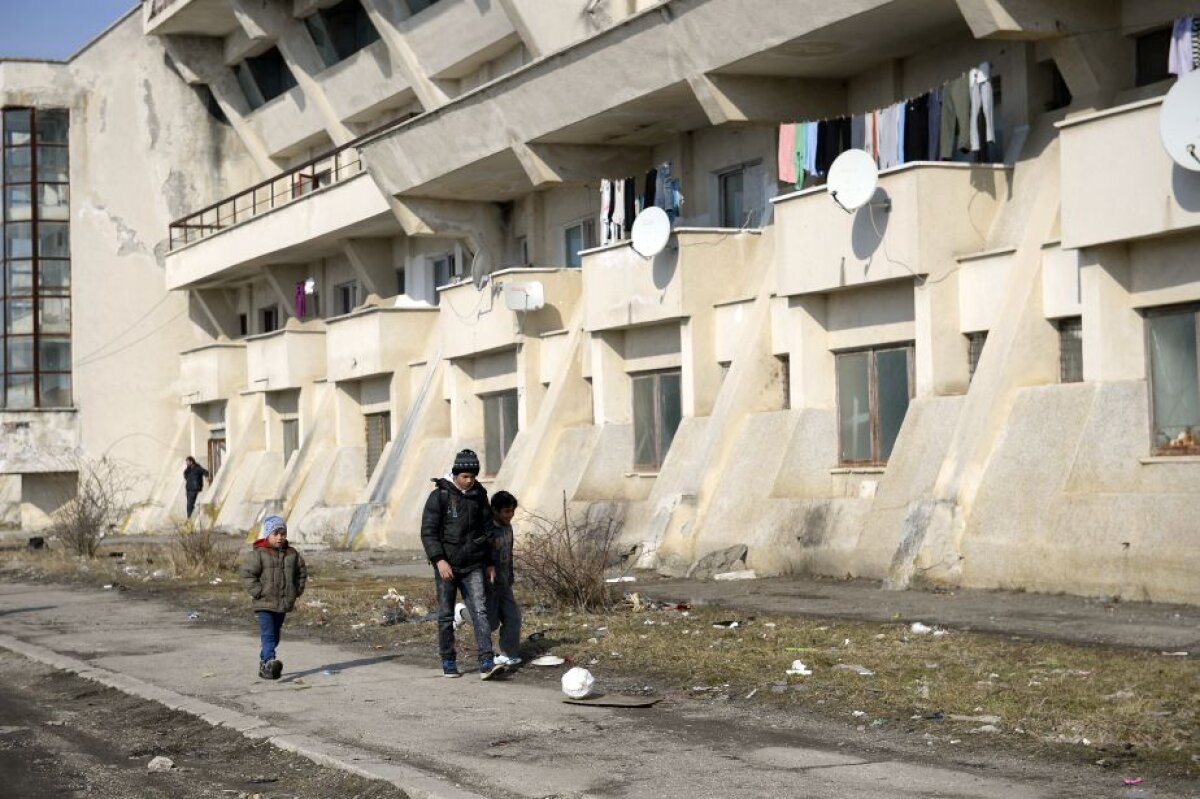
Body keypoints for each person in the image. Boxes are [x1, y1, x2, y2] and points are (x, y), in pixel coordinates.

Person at [420, 449, 503, 680]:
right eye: (465, 476)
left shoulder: (479, 496)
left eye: (473, 476)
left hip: (474, 564)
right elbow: (428, 533)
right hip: (447, 566)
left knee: (480, 611)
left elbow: (487, 531)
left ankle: (487, 661)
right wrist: (439, 560)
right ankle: (448, 660)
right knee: (446, 615)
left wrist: (489, 563)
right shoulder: (439, 496)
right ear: (456, 474)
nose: (469, 481)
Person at [240, 515, 306, 680]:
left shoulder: (292, 554)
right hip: (265, 603)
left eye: (283, 534)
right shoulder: (259, 554)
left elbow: (301, 573)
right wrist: (258, 591)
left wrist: (296, 590)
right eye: (276, 533)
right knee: (268, 635)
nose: (280, 537)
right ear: (267, 534)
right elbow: (248, 575)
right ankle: (270, 661)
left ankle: (264, 664)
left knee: (275, 636)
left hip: (283, 603)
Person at [486, 490, 522, 667]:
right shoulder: (487, 529)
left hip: (504, 581)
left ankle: (507, 653)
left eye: (512, 511)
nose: (510, 515)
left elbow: (510, 552)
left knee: (513, 617)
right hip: (489, 584)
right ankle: (462, 612)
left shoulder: (508, 527)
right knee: (490, 623)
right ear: (495, 510)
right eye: (506, 511)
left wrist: (510, 575)